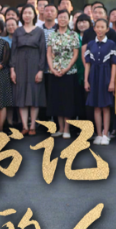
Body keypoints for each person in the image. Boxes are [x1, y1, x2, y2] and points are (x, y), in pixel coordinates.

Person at [11, 4, 46, 136]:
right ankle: (25, 126)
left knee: (34, 94)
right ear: (22, 15)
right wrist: (12, 69)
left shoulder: (39, 31)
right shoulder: (17, 31)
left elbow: (43, 52)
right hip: (19, 65)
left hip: (35, 64)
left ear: (34, 15)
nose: (27, 15)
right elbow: (13, 51)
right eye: (25, 13)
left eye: (30, 13)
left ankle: (33, 126)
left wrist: (41, 70)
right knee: (21, 95)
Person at [46, 9, 80, 139]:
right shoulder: (52, 35)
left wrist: (66, 68)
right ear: (57, 18)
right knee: (57, 101)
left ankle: (67, 129)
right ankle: (60, 128)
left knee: (67, 101)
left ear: (69, 19)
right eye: (60, 17)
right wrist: (52, 68)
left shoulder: (73, 35)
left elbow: (75, 54)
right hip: (54, 72)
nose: (62, 19)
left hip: (69, 73)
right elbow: (49, 53)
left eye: (65, 17)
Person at [83, 18, 116, 145]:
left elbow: (114, 64)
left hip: (106, 75)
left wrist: (112, 81)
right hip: (94, 76)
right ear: (94, 28)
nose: (100, 29)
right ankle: (98, 134)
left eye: (103, 27)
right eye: (98, 27)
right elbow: (87, 64)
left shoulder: (111, 44)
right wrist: (86, 80)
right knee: (96, 107)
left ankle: (105, 134)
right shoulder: (90, 44)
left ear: (107, 29)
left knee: (105, 107)